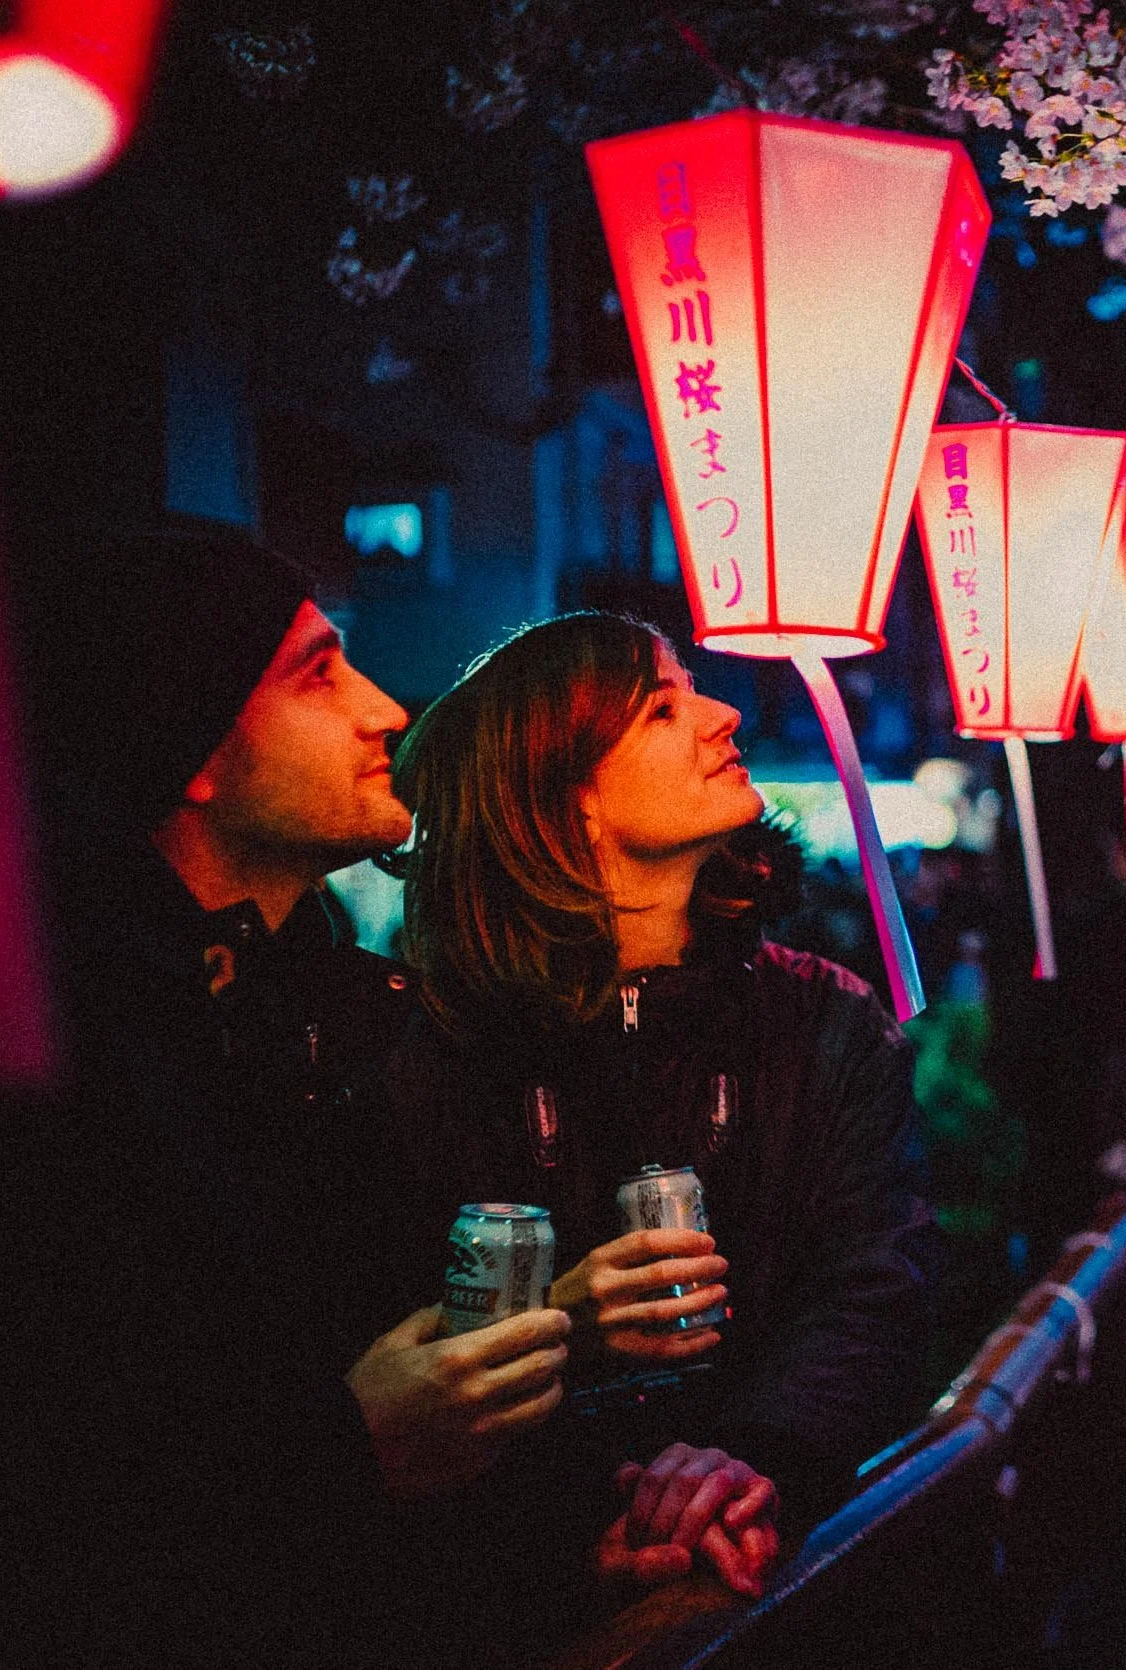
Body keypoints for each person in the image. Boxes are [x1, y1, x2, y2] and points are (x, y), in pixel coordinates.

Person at [0, 527, 579, 1665]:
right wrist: (345, 1453)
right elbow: (27, 1488)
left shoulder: (347, 1011)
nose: (386, 710)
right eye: (318, 673)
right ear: (191, 742)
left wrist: (585, 1533)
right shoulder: (53, 1071)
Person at [382, 611, 939, 1641]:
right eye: (661, 707)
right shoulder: (439, 1051)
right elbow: (394, 1333)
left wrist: (750, 1463)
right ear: (565, 797)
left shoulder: (823, 1019)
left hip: (779, 1576)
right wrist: (571, 1527)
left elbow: (876, 1282)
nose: (725, 713)